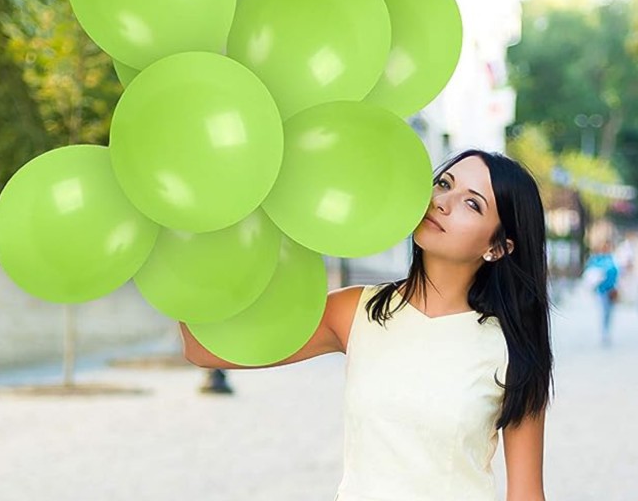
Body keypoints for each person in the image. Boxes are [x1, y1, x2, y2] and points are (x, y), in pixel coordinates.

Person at [180, 149, 554, 501]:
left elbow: (525, 494)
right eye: (444, 183)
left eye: (472, 203)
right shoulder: (358, 309)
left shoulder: (512, 350)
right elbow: (204, 349)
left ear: (499, 247)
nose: (442, 201)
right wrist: (189, 234)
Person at [583, 237, 620, 346]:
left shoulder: (612, 258)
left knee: (609, 312)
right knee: (604, 310)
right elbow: (589, 274)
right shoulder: (596, 259)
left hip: (611, 290)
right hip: (601, 290)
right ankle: (604, 332)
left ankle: (607, 330)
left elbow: (616, 272)